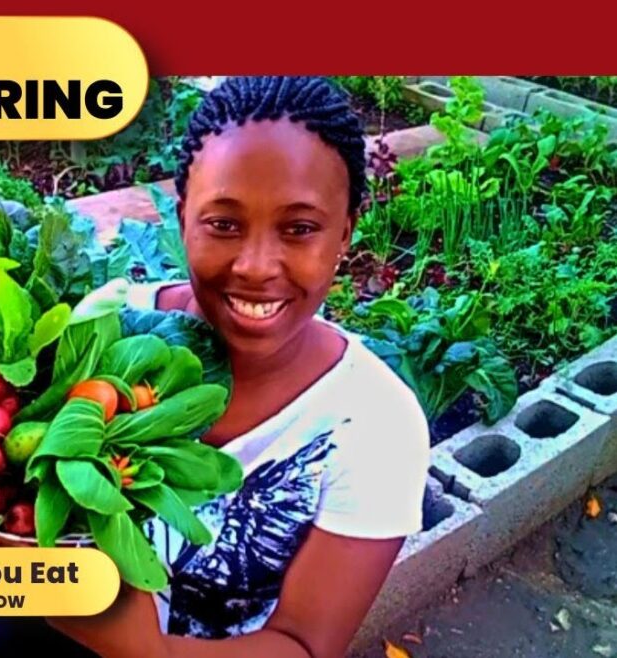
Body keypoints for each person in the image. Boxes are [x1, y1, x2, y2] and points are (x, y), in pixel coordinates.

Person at [39, 76, 432, 658]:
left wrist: (145, 651)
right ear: (182, 219)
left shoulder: (377, 424)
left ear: (345, 233)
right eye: (223, 224)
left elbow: (303, 645)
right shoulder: (100, 336)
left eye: (300, 229)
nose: (255, 266)